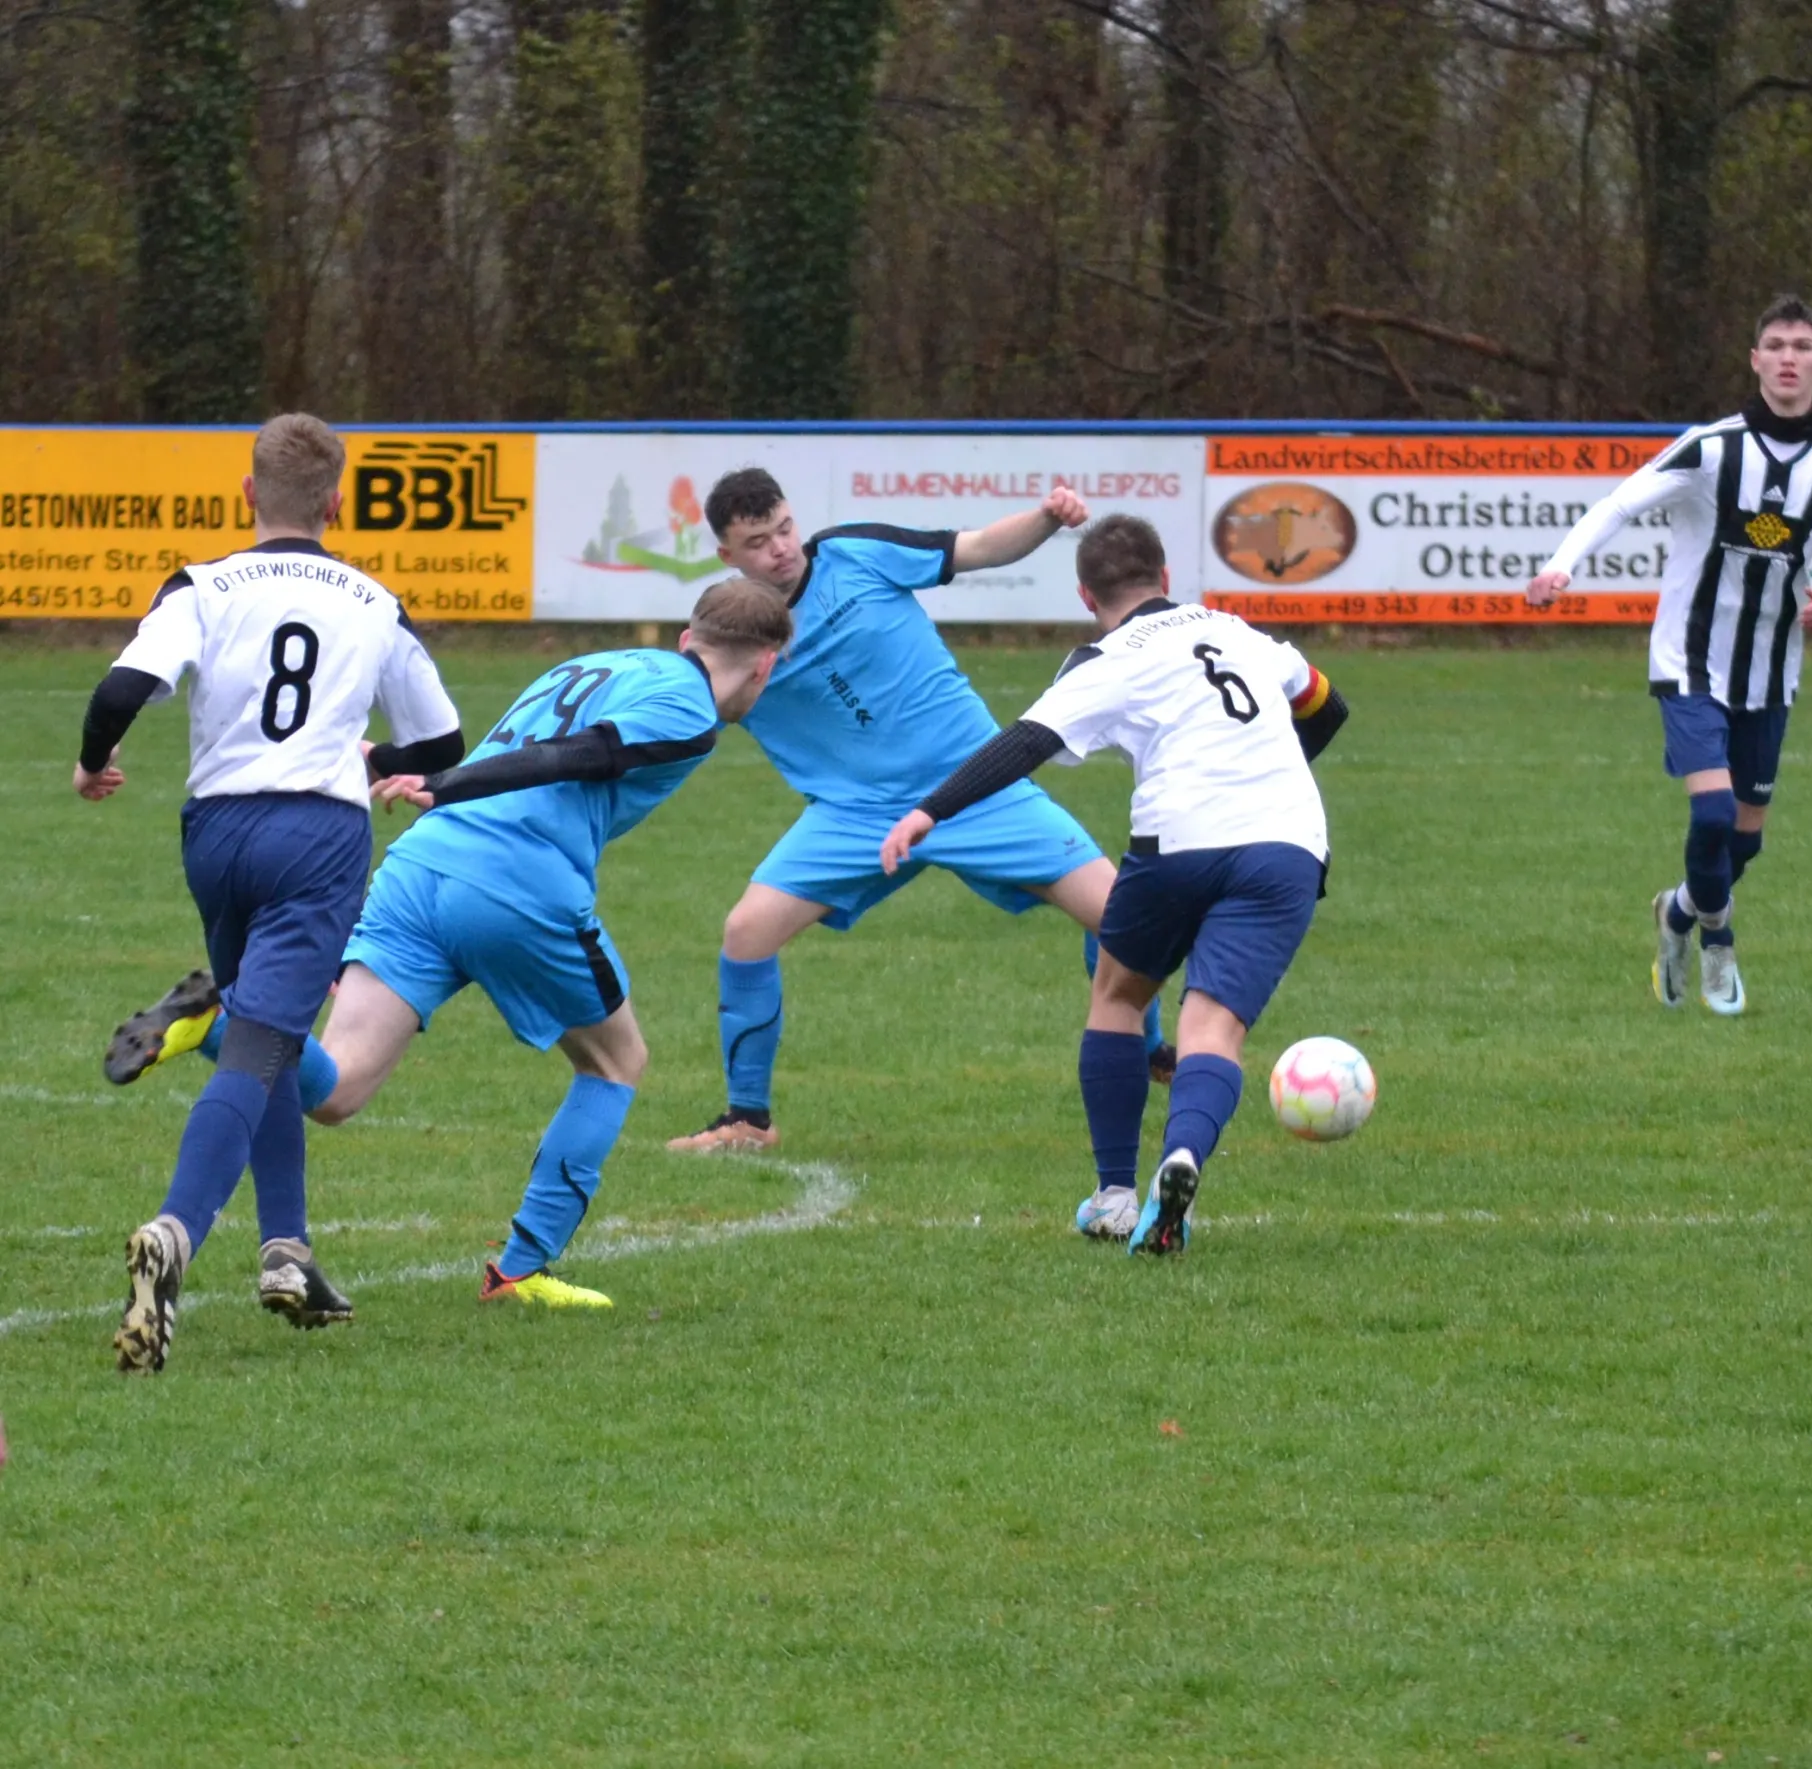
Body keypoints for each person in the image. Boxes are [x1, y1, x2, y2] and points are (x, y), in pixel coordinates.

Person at [108, 578, 792, 1312]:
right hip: (518, 885)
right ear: (765, 666)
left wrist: (417, 774)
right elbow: (578, 754)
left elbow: (545, 739)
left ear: (688, 637)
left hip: (421, 867)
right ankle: (520, 1271)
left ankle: (216, 1020)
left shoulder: (602, 662)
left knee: (336, 1090)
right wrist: (451, 780)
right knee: (617, 1061)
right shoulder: (691, 708)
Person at [76, 413, 465, 1374]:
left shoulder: (202, 584)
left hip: (216, 834)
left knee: (272, 1032)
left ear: (248, 493)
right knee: (257, 1044)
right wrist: (372, 755)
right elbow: (444, 742)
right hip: (317, 841)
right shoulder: (374, 601)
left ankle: (287, 1250)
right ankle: (175, 1231)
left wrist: (93, 760)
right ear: (337, 502)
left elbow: (121, 689)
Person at [666, 468, 1172, 1155]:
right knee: (746, 931)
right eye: (758, 543)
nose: (781, 549)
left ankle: (1149, 1049)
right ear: (727, 555)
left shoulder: (854, 552)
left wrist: (1047, 518)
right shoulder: (735, 631)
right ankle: (747, 1120)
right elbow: (693, 706)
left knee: (1122, 914)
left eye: (784, 529)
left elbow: (978, 548)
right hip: (855, 815)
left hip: (975, 785)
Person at [880, 515, 1348, 1252]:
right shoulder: (1239, 631)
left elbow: (1025, 743)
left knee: (1120, 995)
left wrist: (928, 810)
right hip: (1287, 841)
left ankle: (1116, 1195)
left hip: (1179, 839)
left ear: (1085, 595)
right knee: (1212, 1030)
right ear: (1166, 577)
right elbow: (1325, 705)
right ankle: (1183, 1155)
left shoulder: (1106, 659)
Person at [1525, 294, 1812, 1015]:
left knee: (1743, 843)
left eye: (1800, 347)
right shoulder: (1710, 448)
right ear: (1755, 360)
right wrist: (1562, 565)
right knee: (1713, 815)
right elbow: (1620, 504)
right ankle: (1718, 940)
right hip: (1688, 660)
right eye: (1774, 345)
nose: (1787, 358)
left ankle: (1679, 909)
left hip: (1770, 672)